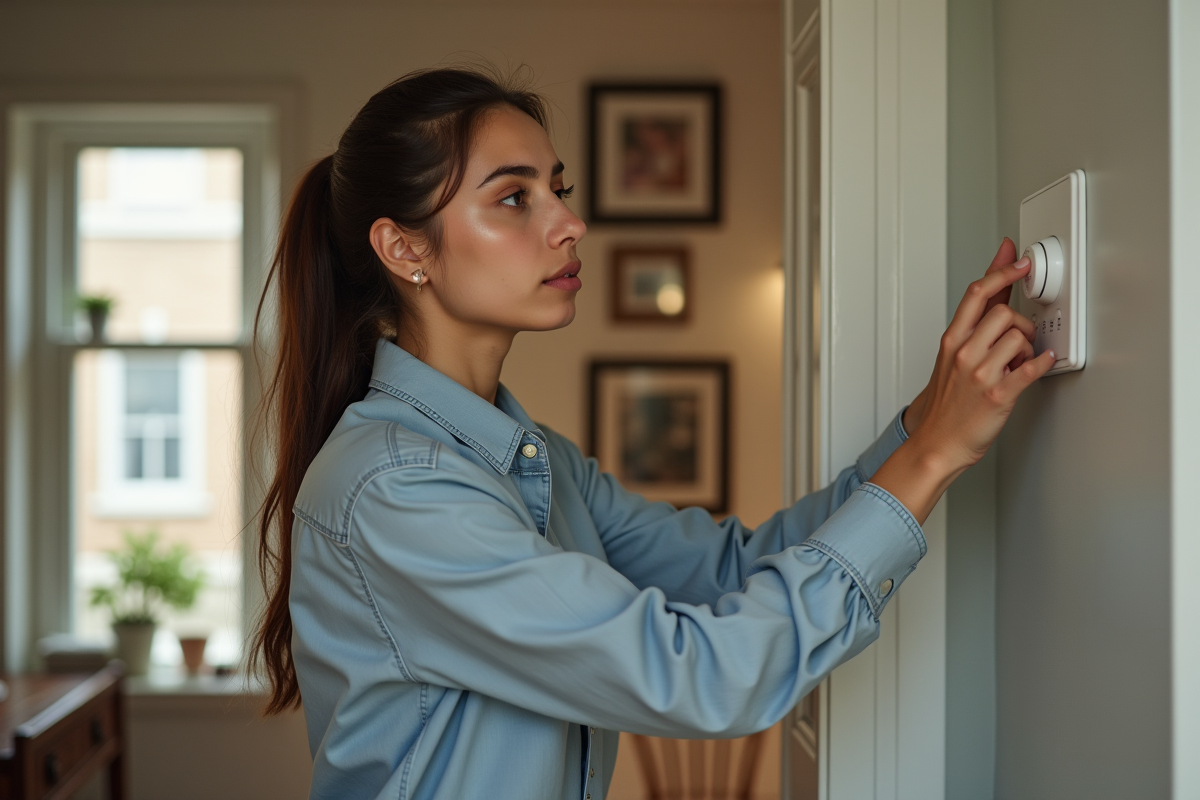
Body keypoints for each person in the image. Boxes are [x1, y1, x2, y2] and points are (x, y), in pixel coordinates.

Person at [250, 67, 1052, 800]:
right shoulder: (396, 489)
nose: (570, 222)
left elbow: (737, 568)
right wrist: (935, 453)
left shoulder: (534, 461)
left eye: (558, 188)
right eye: (514, 197)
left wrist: (925, 424)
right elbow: (698, 676)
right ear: (404, 248)